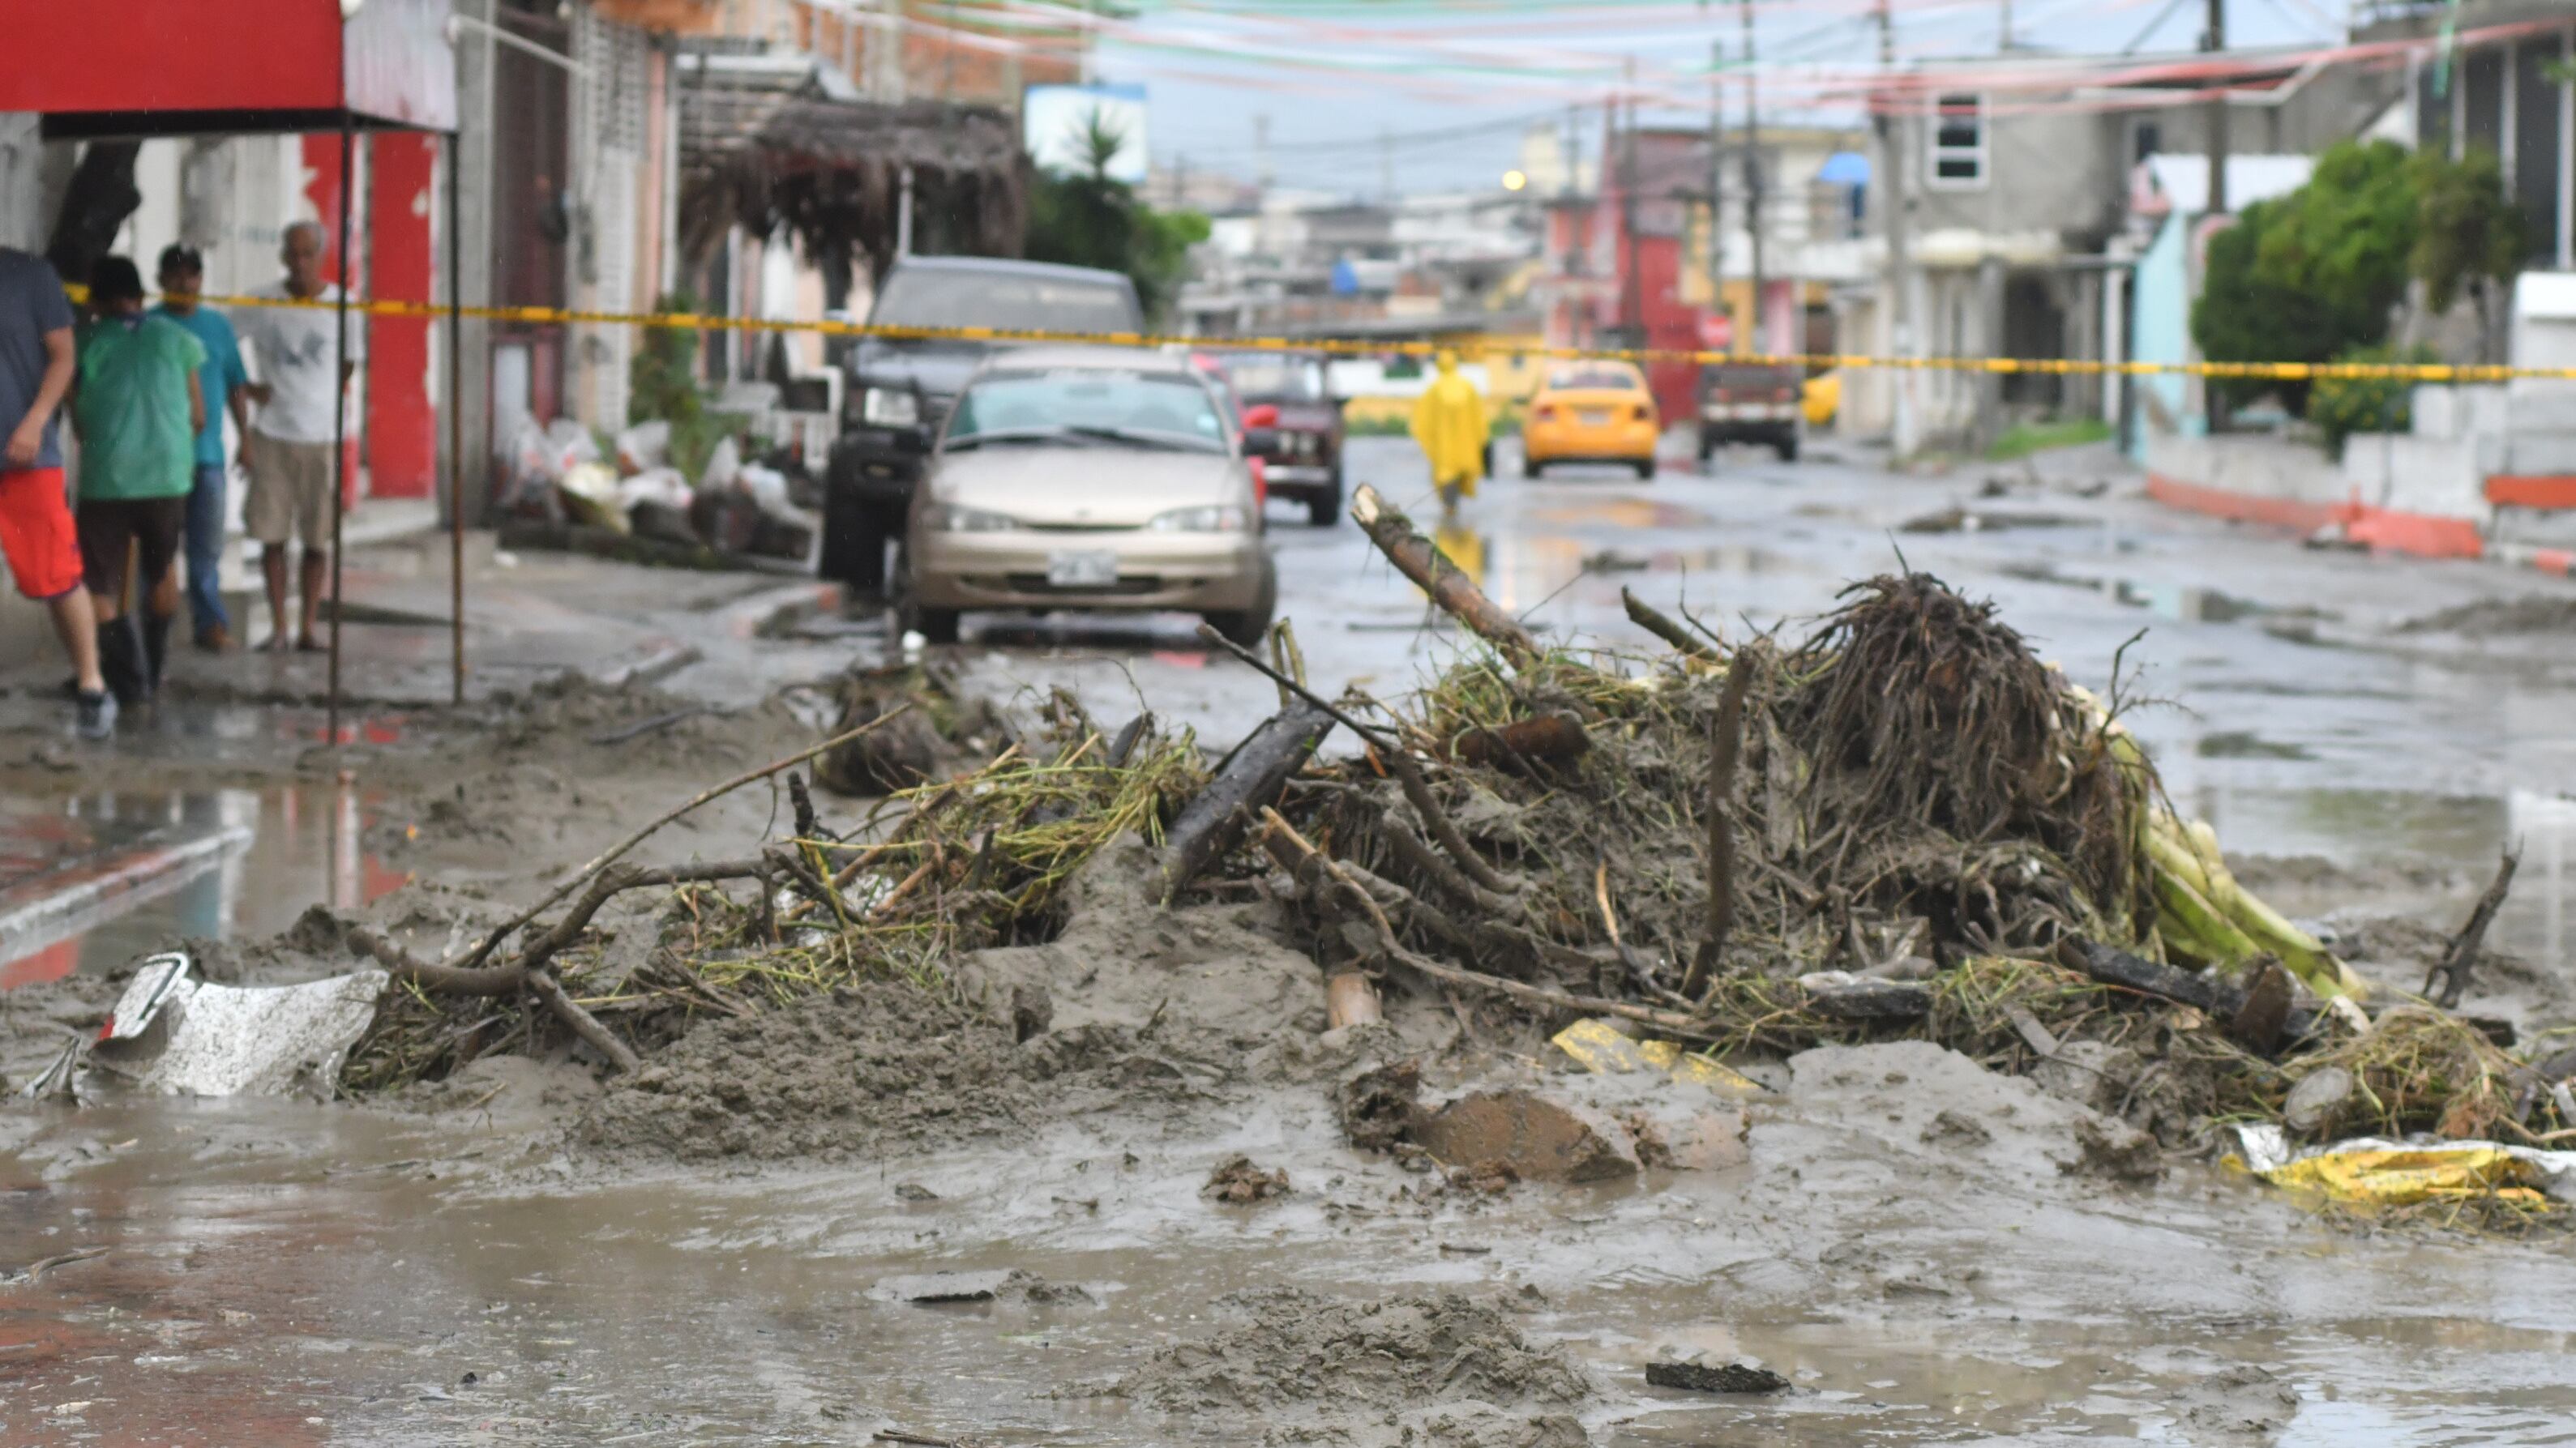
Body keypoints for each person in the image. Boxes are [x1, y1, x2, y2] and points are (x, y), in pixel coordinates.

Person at [69, 256, 204, 705]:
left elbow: (78, 418)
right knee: (162, 569)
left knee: (100, 582)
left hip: (108, 476)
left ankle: (129, 682)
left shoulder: (87, 340)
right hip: (168, 474)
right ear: (141, 295)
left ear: (96, 299)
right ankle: (155, 664)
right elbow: (199, 415)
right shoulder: (176, 338)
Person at [0, 247, 114, 738]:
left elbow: (64, 356)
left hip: (25, 455)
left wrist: (35, 422)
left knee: (56, 577)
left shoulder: (30, 274)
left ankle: (92, 685)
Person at [235, 220, 363, 652]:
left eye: (308, 253)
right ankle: (279, 628)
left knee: (317, 540)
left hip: (322, 436)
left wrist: (321, 397)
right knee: (273, 537)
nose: (300, 262)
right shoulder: (261, 301)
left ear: (322, 256)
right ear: (283, 257)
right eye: (292, 253)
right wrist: (250, 389)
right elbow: (221, 347)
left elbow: (348, 365)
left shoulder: (345, 306)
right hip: (272, 434)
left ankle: (308, 626)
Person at [149, 244, 252, 651]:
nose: (184, 282)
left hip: (208, 457)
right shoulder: (148, 325)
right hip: (157, 461)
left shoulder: (218, 326)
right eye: (175, 274)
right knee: (159, 548)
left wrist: (246, 439)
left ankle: (209, 625)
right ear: (160, 281)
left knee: (206, 550)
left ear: (201, 280)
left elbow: (235, 384)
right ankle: (154, 625)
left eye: (192, 274)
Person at [1409, 350, 1489, 516]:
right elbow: (1479, 417)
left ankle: (1449, 505)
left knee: (1446, 475)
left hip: (1444, 446)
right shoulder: (1467, 387)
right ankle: (1454, 504)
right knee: (1460, 473)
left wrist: (1429, 441)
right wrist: (1480, 437)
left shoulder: (1434, 390)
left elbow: (1423, 420)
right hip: (1465, 444)